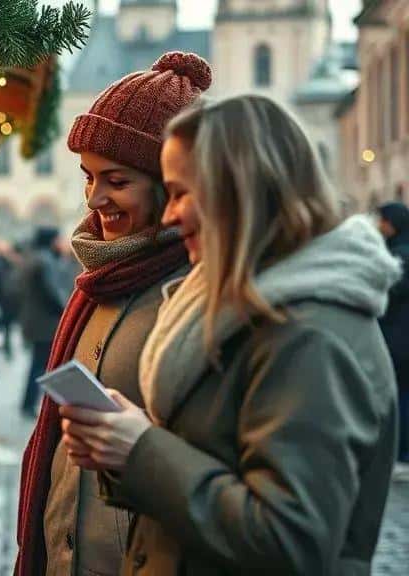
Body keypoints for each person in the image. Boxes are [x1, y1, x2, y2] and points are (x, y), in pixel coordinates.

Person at [60, 95, 401, 575]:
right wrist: (121, 448)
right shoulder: (245, 309)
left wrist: (140, 449)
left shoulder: (309, 336)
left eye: (182, 193)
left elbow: (288, 540)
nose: (170, 215)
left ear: (238, 193)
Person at [16, 51, 211, 576]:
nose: (94, 198)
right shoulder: (98, 280)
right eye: (88, 177)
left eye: (117, 181)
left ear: (170, 187)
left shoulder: (199, 291)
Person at [18, 228, 78, 417]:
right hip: (45, 324)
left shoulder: (34, 257)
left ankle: (30, 403)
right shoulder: (45, 261)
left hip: (36, 322)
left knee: (38, 364)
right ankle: (35, 405)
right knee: (43, 364)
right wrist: (68, 308)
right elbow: (53, 292)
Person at [378, 202, 409, 475]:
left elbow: (388, 293)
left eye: (383, 220)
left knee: (400, 395)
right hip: (401, 337)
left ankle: (402, 454)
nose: (379, 225)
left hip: (399, 338)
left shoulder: (399, 256)